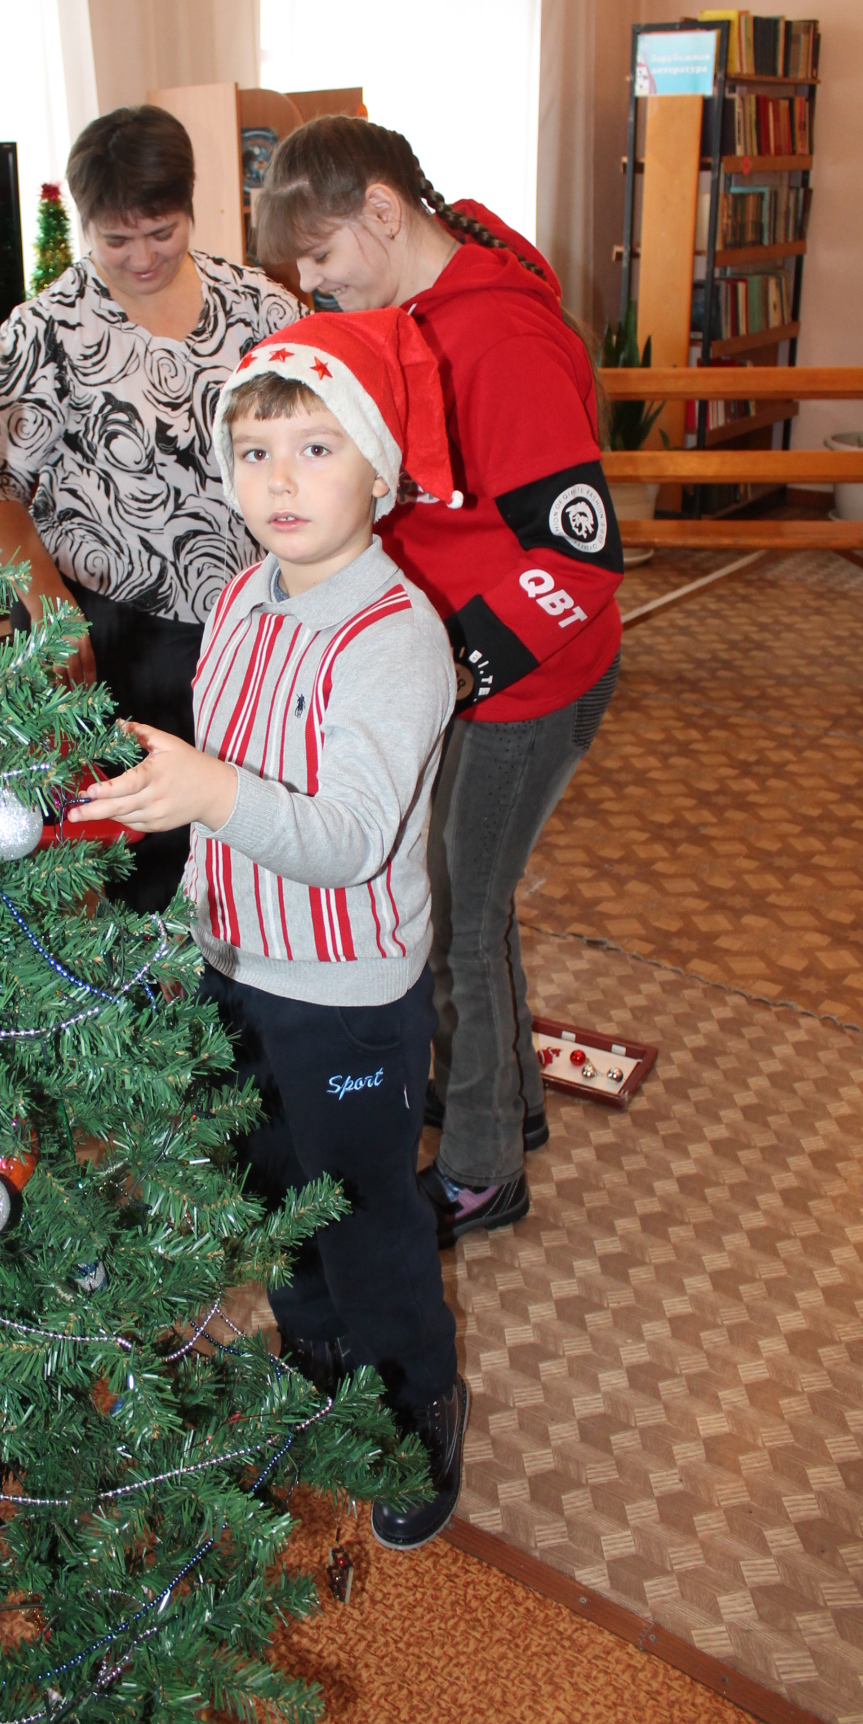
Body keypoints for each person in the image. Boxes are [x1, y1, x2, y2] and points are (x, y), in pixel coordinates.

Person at [71, 308, 468, 1551]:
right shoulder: (241, 594)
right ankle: (316, 1360)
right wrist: (182, 885)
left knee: (361, 1209)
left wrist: (208, 792)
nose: (277, 481)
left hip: (346, 991)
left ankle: (412, 1407)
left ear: (377, 468)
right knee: (267, 1190)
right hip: (233, 964)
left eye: (314, 448)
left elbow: (345, 835)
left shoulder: (394, 637)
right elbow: (225, 774)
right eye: (252, 454)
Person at [253, 118, 623, 1247]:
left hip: (524, 685)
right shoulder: (408, 316)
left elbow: (581, 553)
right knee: (465, 905)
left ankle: (478, 1169)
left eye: (319, 259)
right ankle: (501, 1101)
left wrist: (449, 669)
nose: (311, 286)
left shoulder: (498, 339)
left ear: (380, 210)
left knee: (457, 921)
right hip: (469, 675)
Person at [0, 104, 300, 910]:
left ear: (192, 207)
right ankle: (156, 1025)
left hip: (259, 625)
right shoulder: (45, 331)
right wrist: (47, 603)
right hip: (117, 633)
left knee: (258, 835)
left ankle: (251, 1019)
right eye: (116, 240)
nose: (143, 257)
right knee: (147, 863)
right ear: (84, 226)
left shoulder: (261, 310)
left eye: (162, 230)